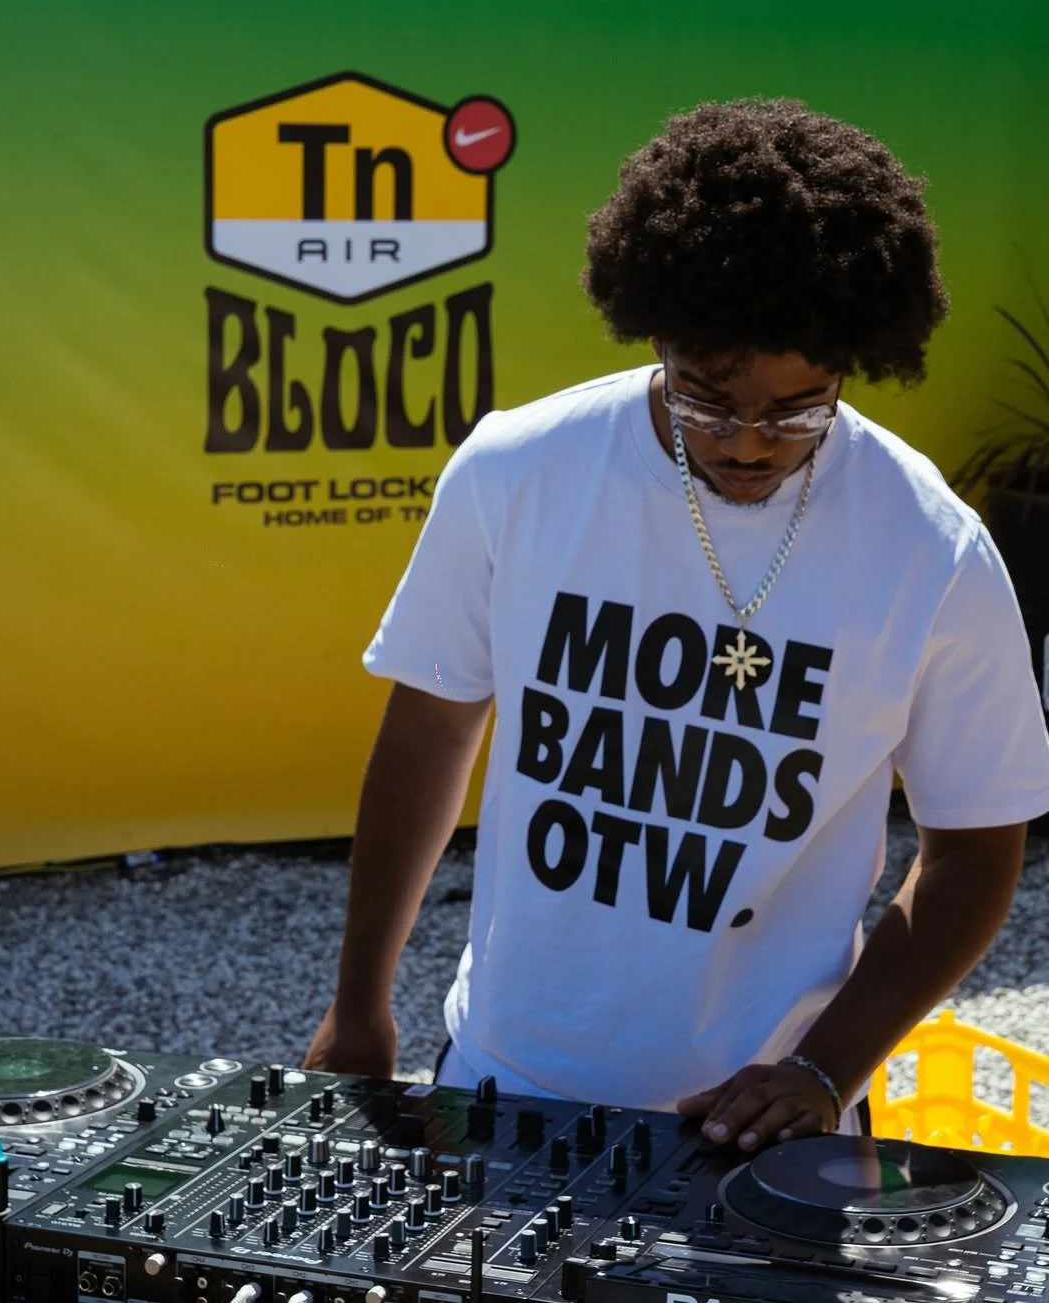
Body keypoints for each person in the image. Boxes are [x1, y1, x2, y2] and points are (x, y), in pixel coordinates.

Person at [304, 97, 1049, 1151]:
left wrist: (824, 1068)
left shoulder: (933, 548)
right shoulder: (517, 470)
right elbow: (429, 728)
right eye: (706, 398)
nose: (748, 442)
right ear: (654, 336)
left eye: (798, 409)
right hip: (502, 1078)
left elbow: (973, 850)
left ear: (852, 363)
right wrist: (360, 1003)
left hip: (763, 1131)